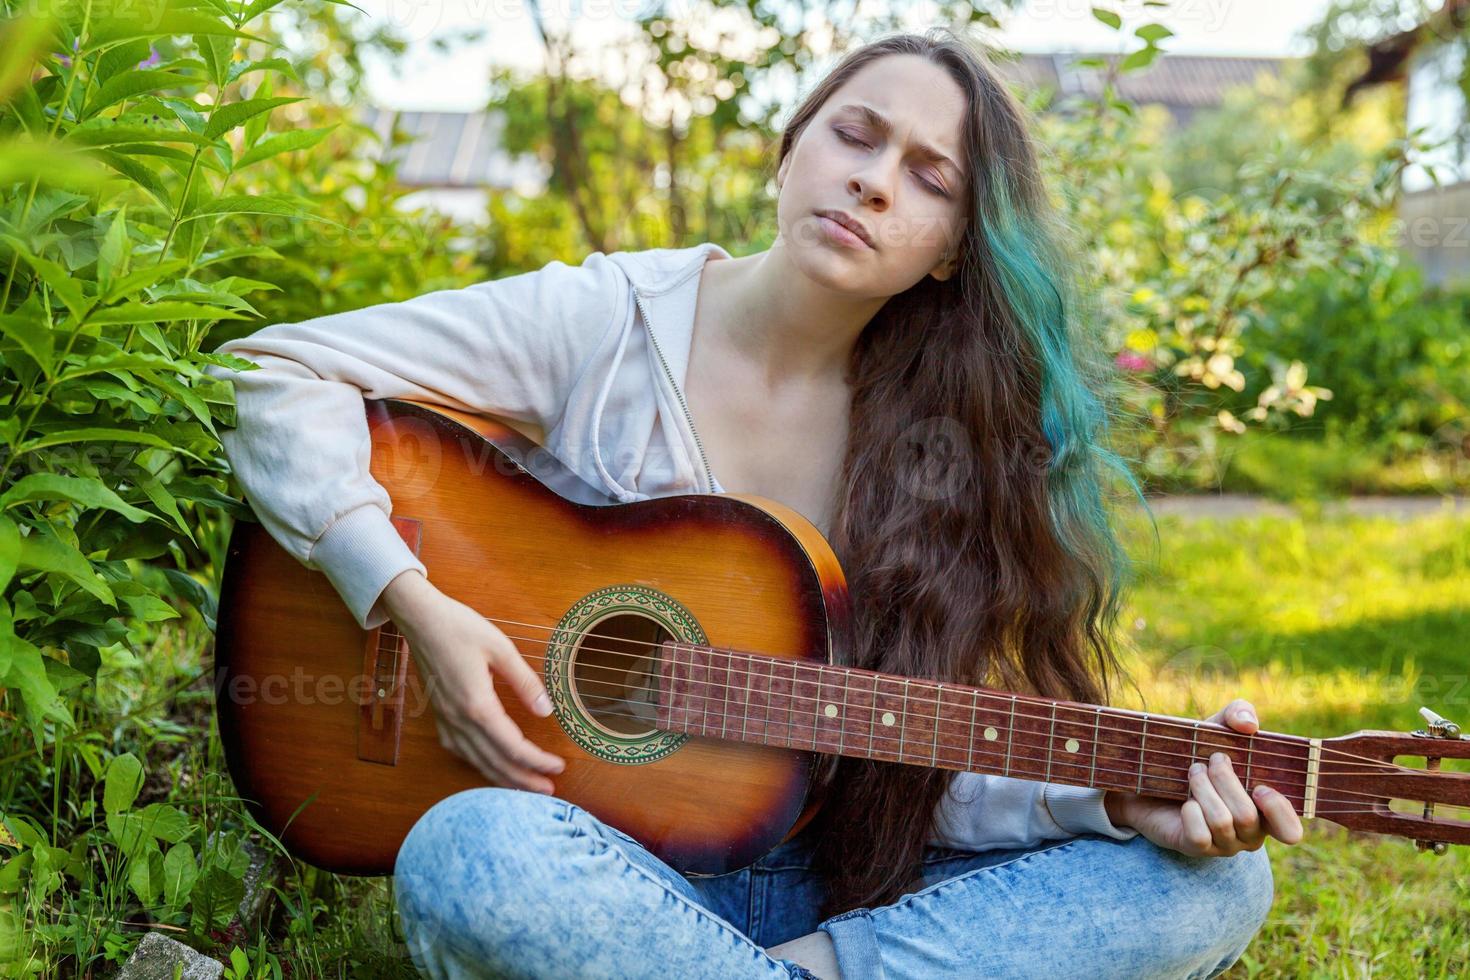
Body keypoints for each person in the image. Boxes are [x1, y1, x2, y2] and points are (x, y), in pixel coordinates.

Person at [206, 28, 1303, 980]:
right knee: (470, 852)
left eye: (930, 177)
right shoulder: (605, 319)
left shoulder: (954, 437)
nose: (875, 181)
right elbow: (268, 372)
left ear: (951, 254)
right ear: (793, 146)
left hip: (845, 904)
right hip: (606, 865)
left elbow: (921, 758)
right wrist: (410, 601)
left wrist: (1114, 797)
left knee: (1215, 888)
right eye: (856, 135)